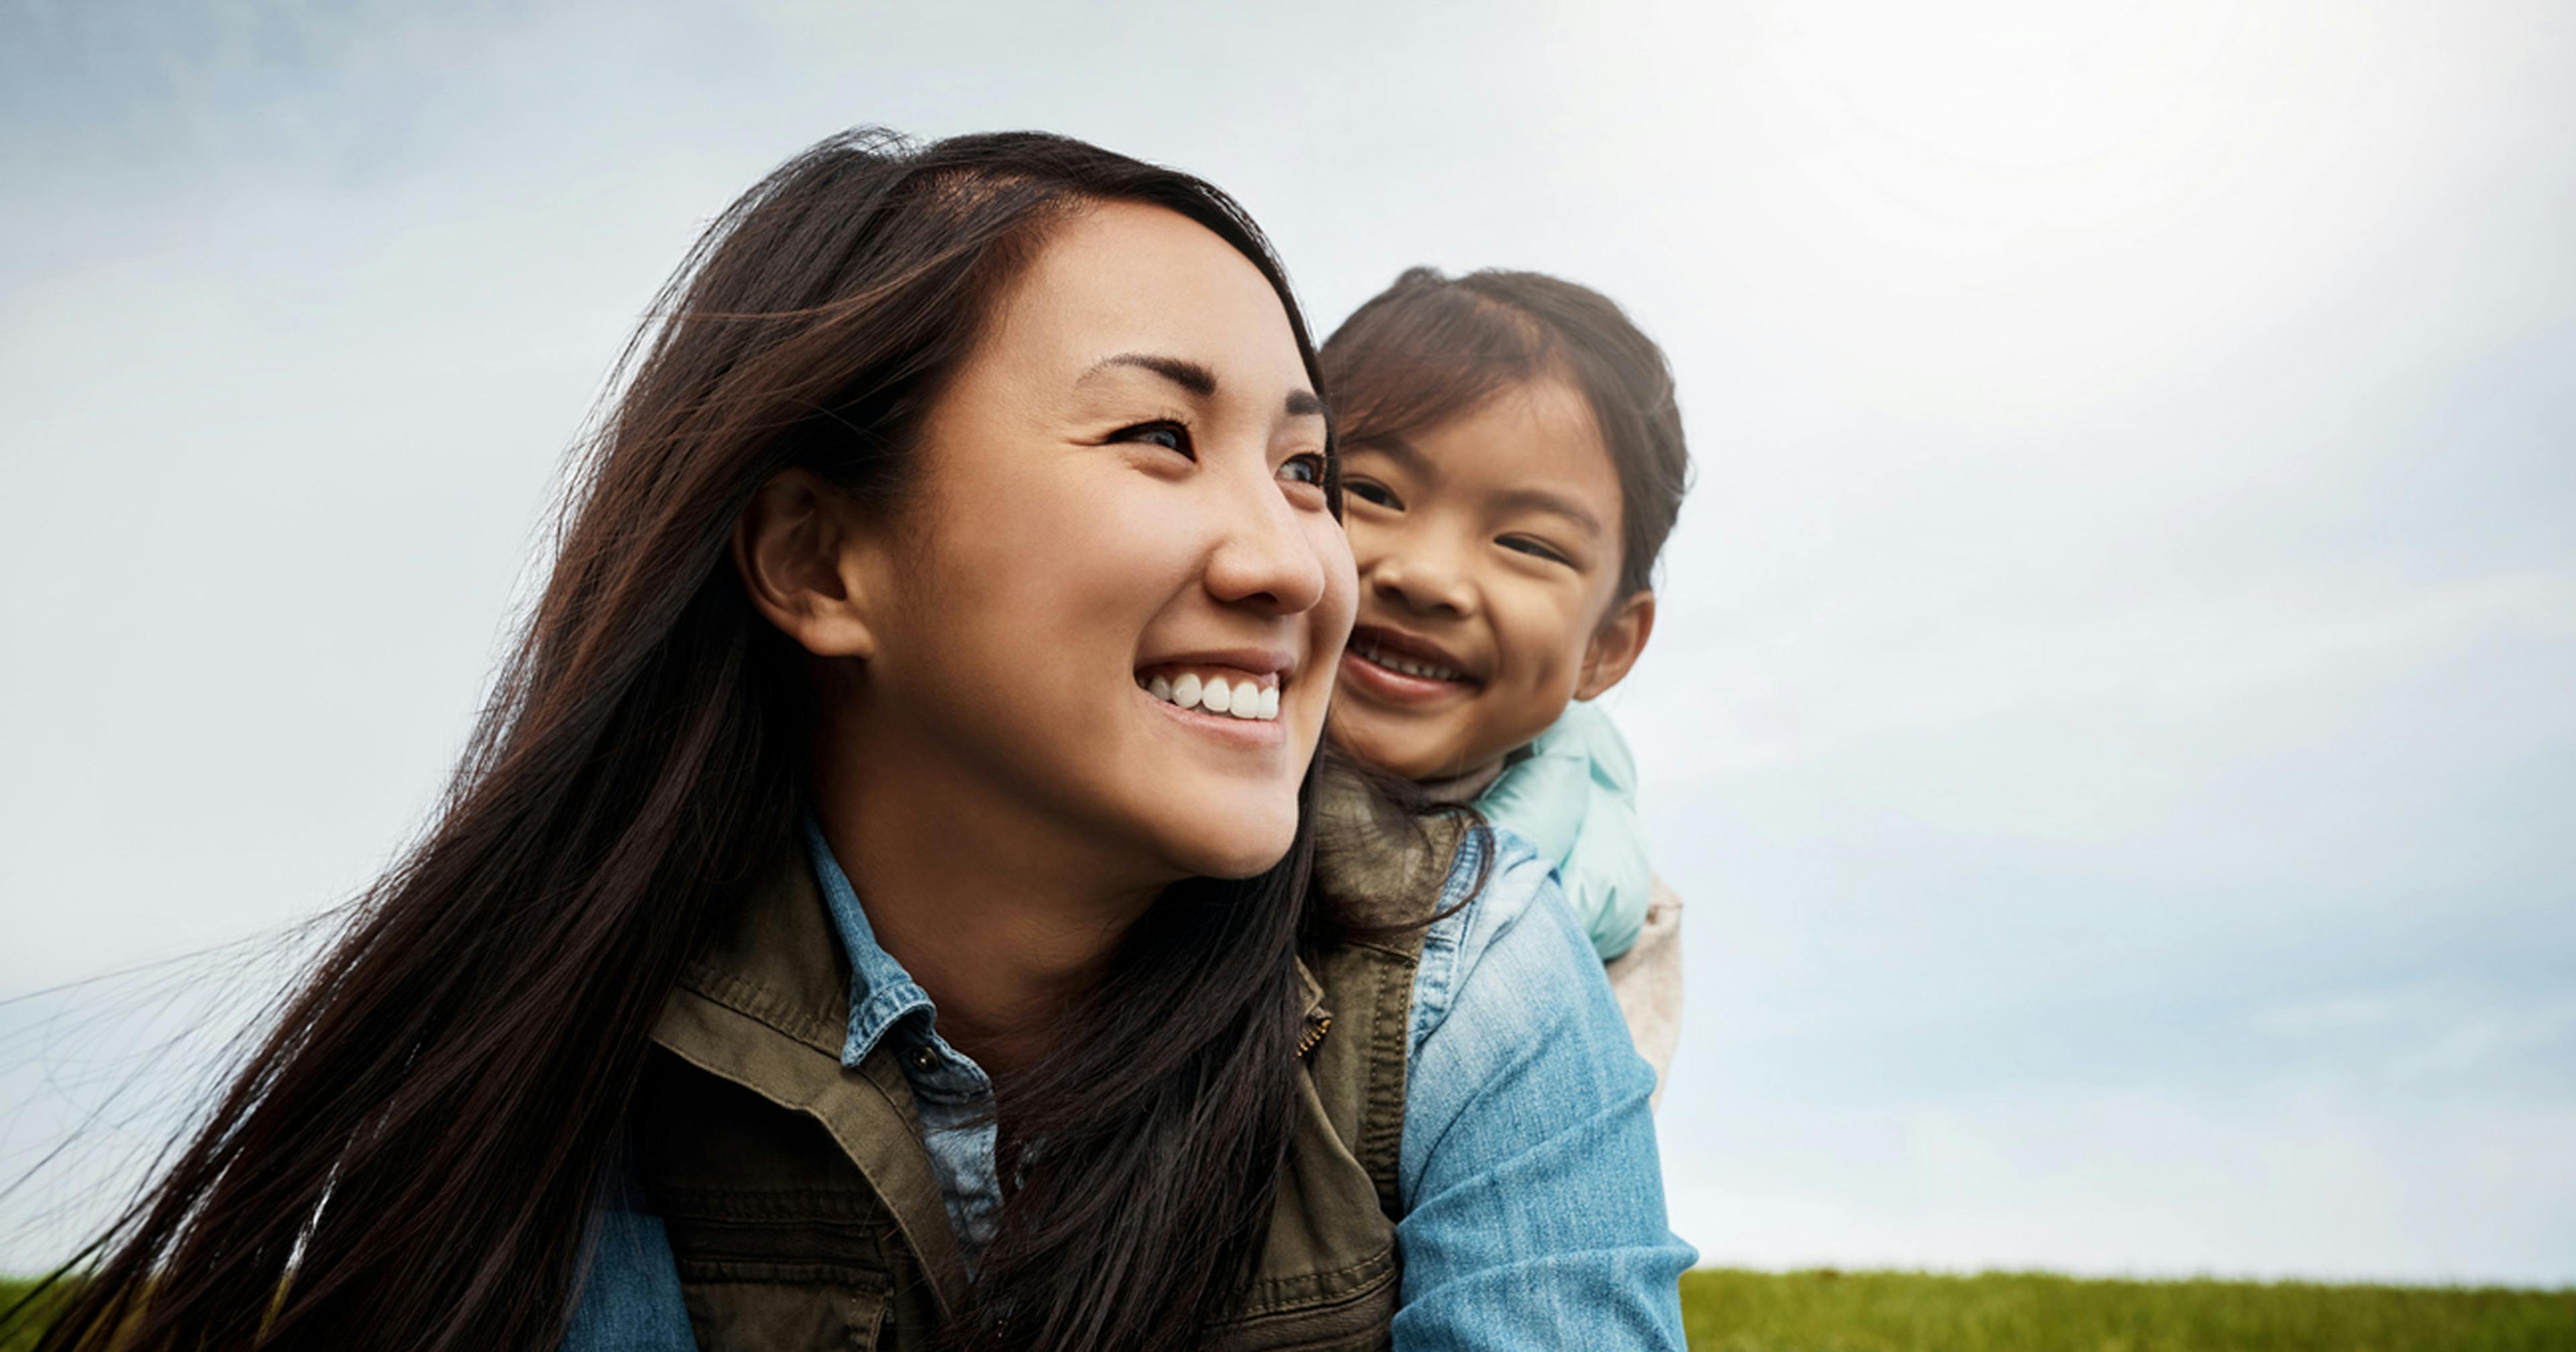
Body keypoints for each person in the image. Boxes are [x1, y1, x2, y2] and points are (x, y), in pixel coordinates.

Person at [21, 131, 1692, 1352]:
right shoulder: (582, 1037)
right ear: (824, 560)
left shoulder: (1473, 977)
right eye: (1157, 437)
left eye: (1300, 468)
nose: (1293, 562)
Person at [1319, 268, 1693, 1103]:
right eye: (1372, 493)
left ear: (1606, 646)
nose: (1427, 577)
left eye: (1529, 544)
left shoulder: (1598, 918)